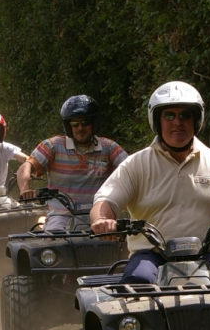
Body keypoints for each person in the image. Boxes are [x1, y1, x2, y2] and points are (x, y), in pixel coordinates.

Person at [90, 81, 210, 284]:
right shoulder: (136, 164)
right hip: (151, 258)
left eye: (185, 115)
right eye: (169, 115)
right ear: (157, 120)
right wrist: (102, 221)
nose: (178, 121)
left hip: (209, 256)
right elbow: (105, 201)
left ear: (196, 120)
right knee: (137, 281)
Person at [17, 95, 128, 231]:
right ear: (68, 126)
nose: (80, 127)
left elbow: (132, 169)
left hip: (100, 216)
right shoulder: (53, 146)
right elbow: (26, 166)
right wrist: (25, 189)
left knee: (119, 245)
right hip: (60, 217)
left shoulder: (109, 147)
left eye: (85, 122)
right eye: (74, 123)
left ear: (94, 123)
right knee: (52, 244)